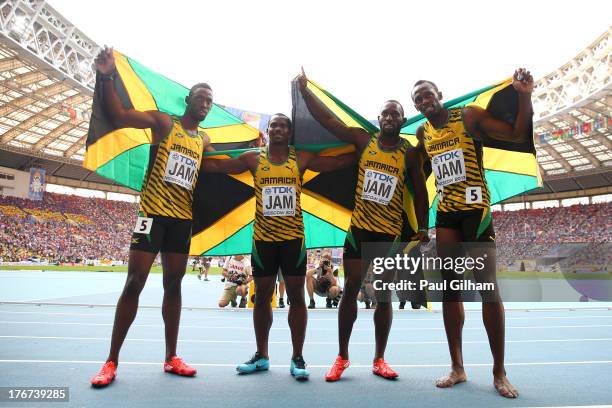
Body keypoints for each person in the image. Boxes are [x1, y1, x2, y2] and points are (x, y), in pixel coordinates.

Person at [90, 46, 214, 387]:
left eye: (210, 102)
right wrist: (107, 75)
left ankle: (171, 357)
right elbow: (119, 114)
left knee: (173, 285)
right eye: (200, 98)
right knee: (134, 283)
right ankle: (111, 361)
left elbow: (227, 165)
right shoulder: (163, 123)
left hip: (181, 222)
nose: (205, 104)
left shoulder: (203, 140)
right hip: (152, 216)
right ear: (188, 99)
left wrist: (256, 146)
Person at [297, 69, 429, 381]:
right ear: (379, 117)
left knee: (382, 295)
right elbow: (331, 122)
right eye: (386, 112)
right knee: (351, 289)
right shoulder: (362, 140)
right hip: (358, 231)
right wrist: (306, 92)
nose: (390, 117)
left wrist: (423, 227)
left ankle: (379, 359)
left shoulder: (408, 155)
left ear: (401, 121)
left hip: (388, 234)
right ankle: (342, 356)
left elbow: (421, 191)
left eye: (396, 114)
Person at [202, 113, 356, 381]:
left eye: (284, 125)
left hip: (293, 241)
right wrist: (200, 148)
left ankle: (297, 357)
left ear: (290, 131)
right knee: (261, 296)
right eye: (274, 124)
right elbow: (218, 167)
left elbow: (338, 162)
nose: (279, 129)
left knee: (297, 297)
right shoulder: (253, 158)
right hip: (263, 241)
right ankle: (262, 355)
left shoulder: (302, 158)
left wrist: (363, 150)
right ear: (268, 129)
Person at [411, 68, 534, 398]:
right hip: (447, 215)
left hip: (476, 212)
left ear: (439, 93)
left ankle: (499, 372)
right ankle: (458, 367)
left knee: (487, 289)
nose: (423, 100)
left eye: (427, 93)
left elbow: (516, 133)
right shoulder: (423, 133)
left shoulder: (467, 117)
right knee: (450, 291)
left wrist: (524, 94)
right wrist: (421, 224)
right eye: (417, 98)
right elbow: (417, 180)